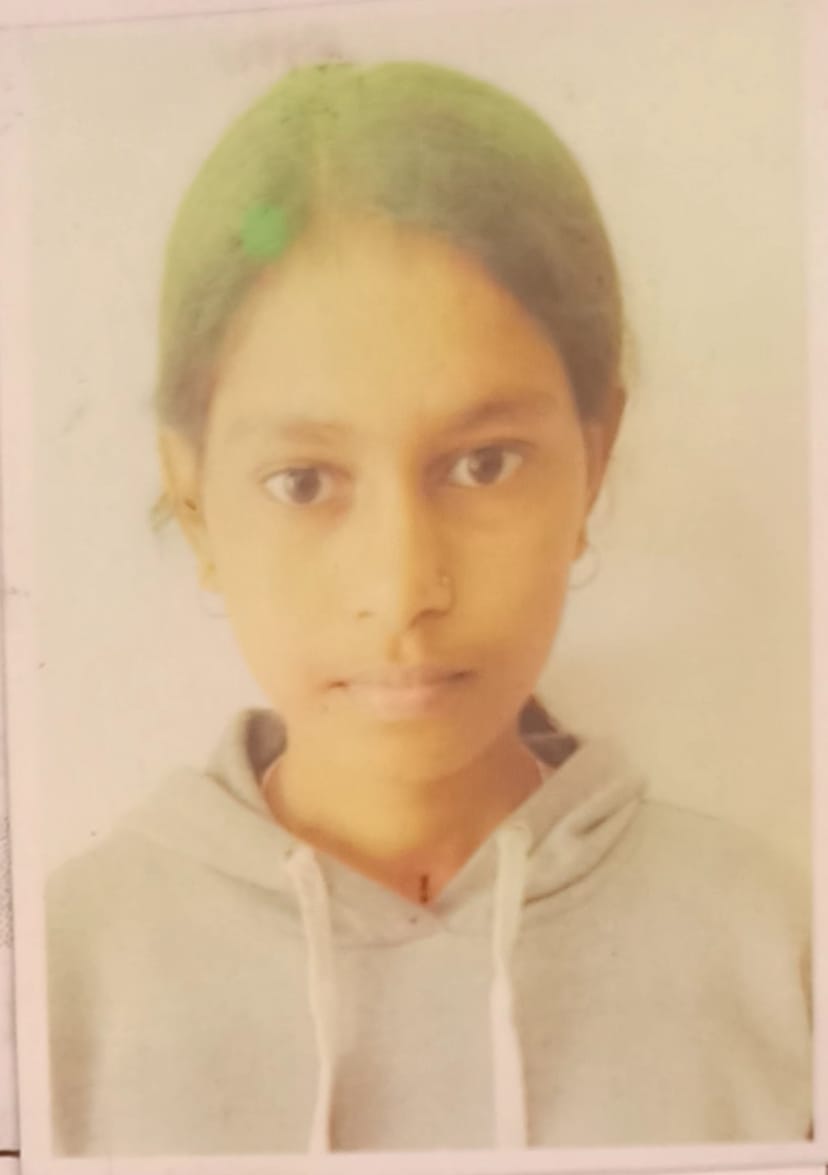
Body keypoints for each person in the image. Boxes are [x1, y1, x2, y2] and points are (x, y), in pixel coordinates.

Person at [46, 60, 811, 1156]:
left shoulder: (774, 950)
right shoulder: (61, 980)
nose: (404, 589)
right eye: (304, 481)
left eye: (484, 463)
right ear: (195, 501)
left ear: (592, 461)